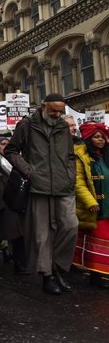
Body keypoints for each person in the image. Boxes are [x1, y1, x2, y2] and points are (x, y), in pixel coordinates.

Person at [4, 93, 78, 295]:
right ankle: (47, 275)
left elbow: (70, 156)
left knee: (71, 226)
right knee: (42, 234)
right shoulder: (27, 125)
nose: (57, 114)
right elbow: (10, 150)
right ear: (43, 106)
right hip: (38, 186)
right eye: (53, 110)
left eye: (60, 111)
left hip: (63, 185)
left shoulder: (63, 127)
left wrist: (71, 175)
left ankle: (57, 266)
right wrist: (28, 171)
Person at [73, 122, 109, 287]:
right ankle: (95, 275)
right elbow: (78, 183)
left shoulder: (106, 155)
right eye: (96, 137)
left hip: (108, 202)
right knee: (97, 241)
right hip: (95, 206)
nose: (101, 140)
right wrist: (90, 201)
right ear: (88, 138)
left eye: (102, 137)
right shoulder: (81, 156)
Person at [0, 137, 26, 275]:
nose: (5, 146)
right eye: (2, 144)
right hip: (0, 204)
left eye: (7, 144)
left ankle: (20, 264)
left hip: (15, 203)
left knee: (18, 236)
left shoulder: (14, 160)